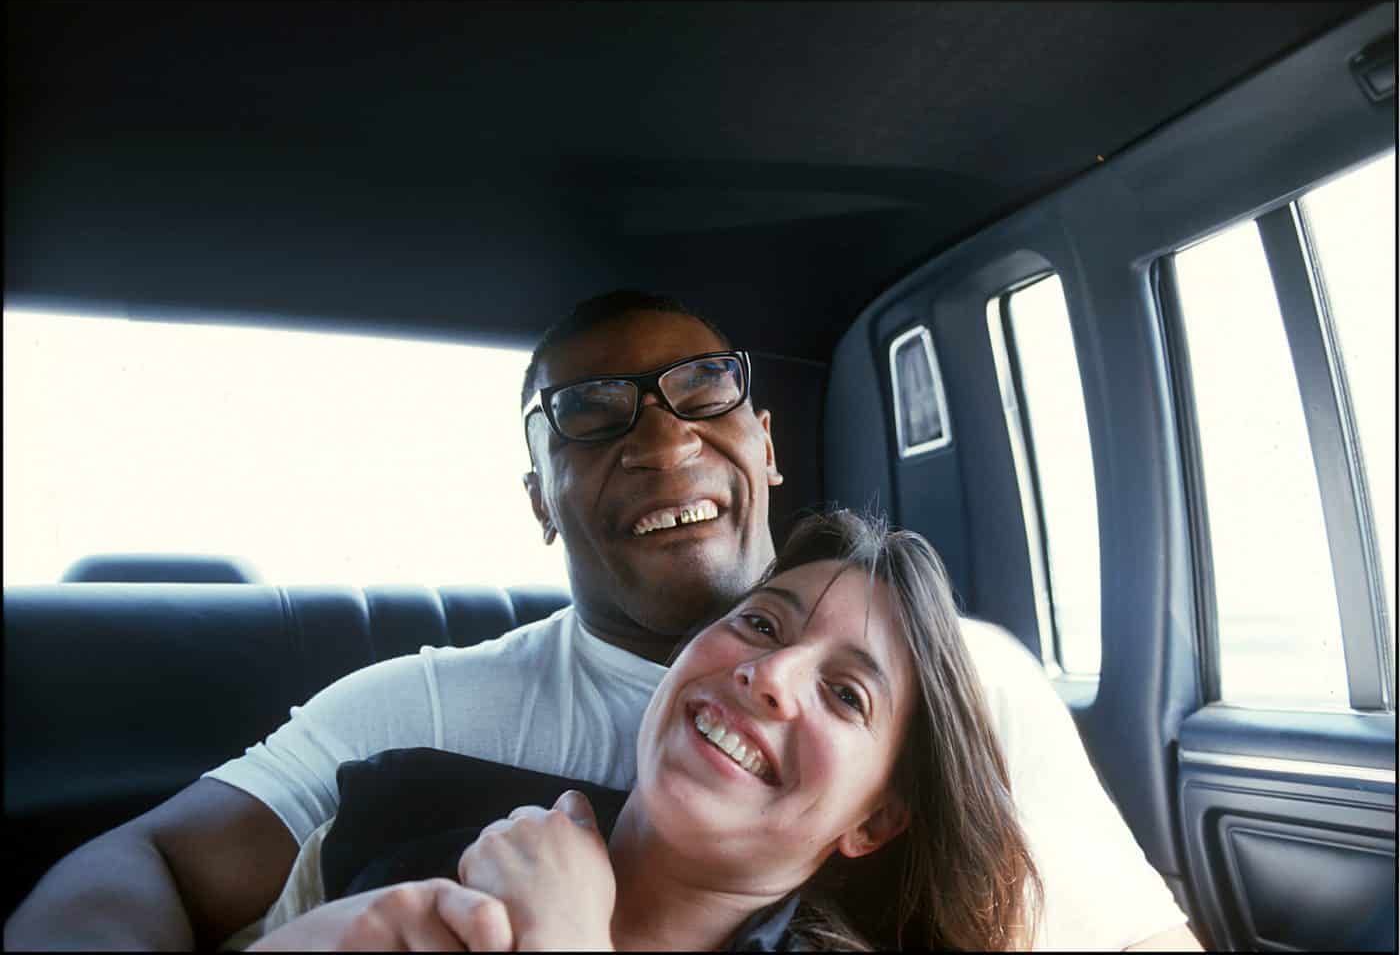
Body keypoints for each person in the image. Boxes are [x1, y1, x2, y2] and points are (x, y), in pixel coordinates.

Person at [5, 290, 1199, 950]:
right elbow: (148, 860)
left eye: (703, 391)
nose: (664, 437)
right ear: (539, 501)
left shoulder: (968, 685)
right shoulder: (416, 718)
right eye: (588, 414)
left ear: (764, 446)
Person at [250, 509, 1044, 951]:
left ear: (873, 822)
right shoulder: (383, 821)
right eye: (762, 625)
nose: (769, 675)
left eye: (844, 694)